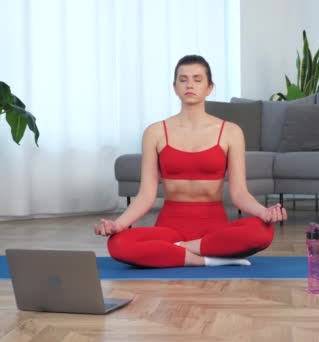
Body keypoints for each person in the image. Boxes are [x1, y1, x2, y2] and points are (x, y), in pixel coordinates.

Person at [94, 55, 287, 268]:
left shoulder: (230, 132)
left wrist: (264, 212)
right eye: (183, 79)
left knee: (263, 232)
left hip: (214, 227)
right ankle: (208, 259)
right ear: (174, 87)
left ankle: (177, 251)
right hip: (169, 227)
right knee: (118, 244)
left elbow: (239, 193)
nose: (190, 85)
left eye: (197, 79)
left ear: (209, 87)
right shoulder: (155, 132)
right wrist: (118, 224)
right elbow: (146, 195)